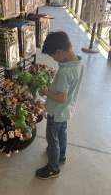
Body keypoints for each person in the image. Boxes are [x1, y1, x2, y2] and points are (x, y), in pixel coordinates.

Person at [36, 31, 84, 180]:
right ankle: (61, 155)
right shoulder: (78, 63)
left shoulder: (65, 72)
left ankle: (53, 167)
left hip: (56, 111)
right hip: (66, 110)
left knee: (52, 139)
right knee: (62, 132)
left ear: (60, 51)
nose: (54, 59)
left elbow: (60, 98)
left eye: (53, 56)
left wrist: (45, 91)